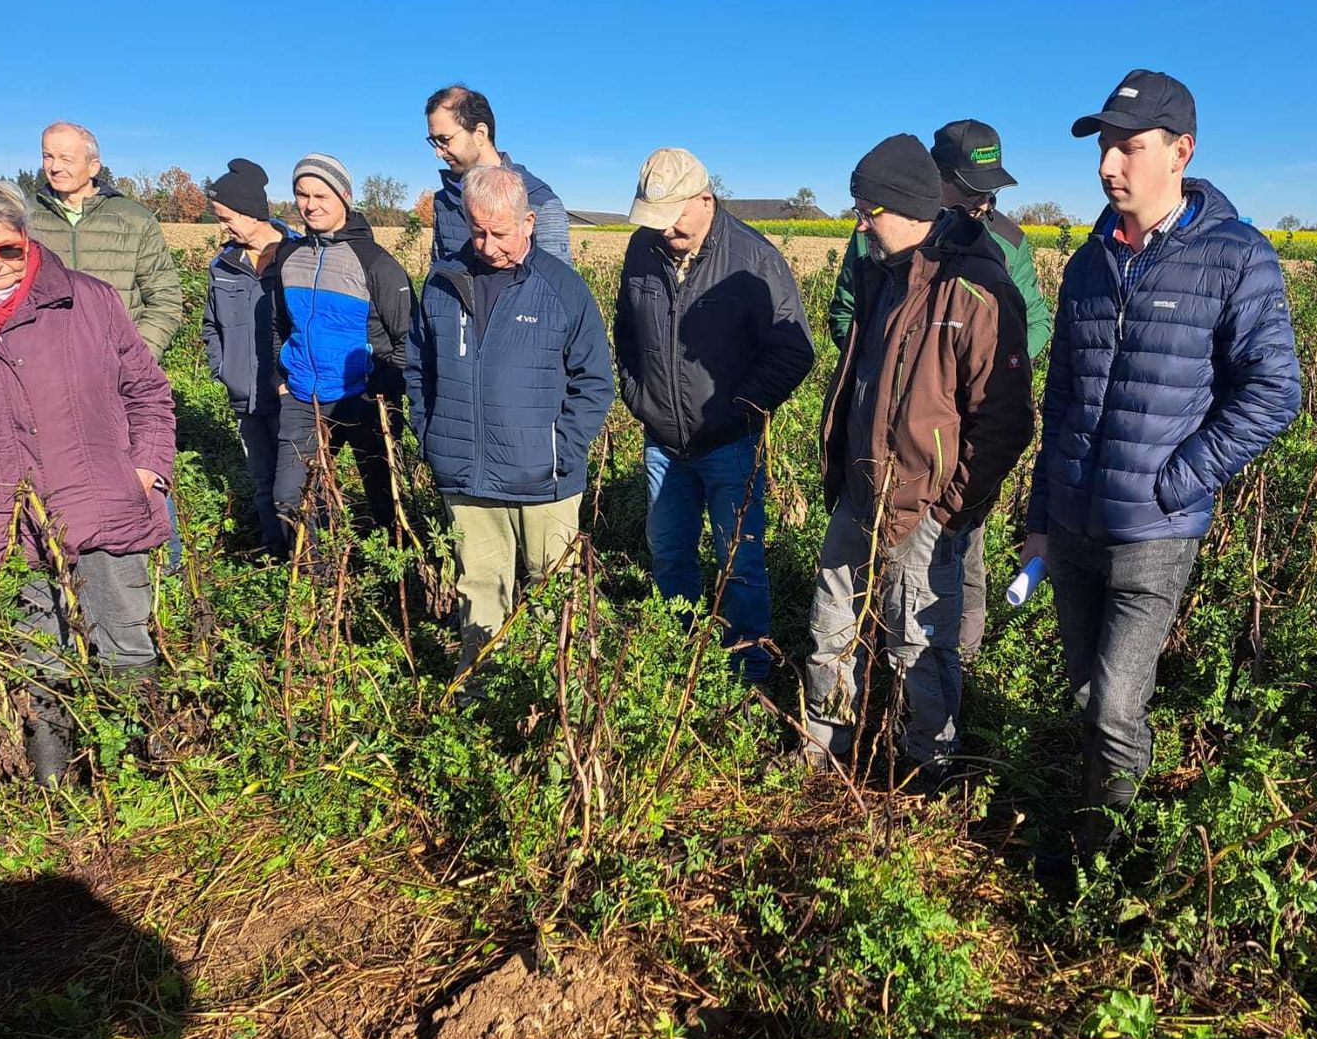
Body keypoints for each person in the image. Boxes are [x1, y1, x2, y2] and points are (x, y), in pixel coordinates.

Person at [1021, 70, 1300, 846]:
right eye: (1103, 148)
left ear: (1182, 151)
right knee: (1088, 697)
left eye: (1129, 147)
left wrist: (1177, 480)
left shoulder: (1236, 258)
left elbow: (1274, 391)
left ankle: (1106, 856)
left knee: (1116, 705)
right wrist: (1041, 516)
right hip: (1072, 525)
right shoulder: (1089, 262)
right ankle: (1096, 827)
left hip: (1153, 533)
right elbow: (1061, 401)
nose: (1108, 165)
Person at [802, 135, 1034, 788]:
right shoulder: (879, 272)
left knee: (920, 646)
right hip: (860, 489)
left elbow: (1006, 421)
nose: (859, 224)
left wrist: (947, 509)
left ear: (906, 209)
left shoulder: (976, 289)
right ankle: (824, 749)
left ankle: (927, 771)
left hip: (923, 507)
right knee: (830, 627)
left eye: (867, 211)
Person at [0, 173, 175, 783]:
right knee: (37, 656)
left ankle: (144, 780)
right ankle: (57, 787)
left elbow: (148, 392)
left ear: (26, 236)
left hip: (104, 502)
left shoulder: (87, 299)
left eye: (7, 248)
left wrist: (145, 470)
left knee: (126, 640)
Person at [830, 120, 1052, 664]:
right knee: (850, 603)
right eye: (970, 187)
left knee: (956, 565)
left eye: (989, 189)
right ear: (933, 182)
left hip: (950, 453)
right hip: (876, 457)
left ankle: (959, 661)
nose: (983, 200)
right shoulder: (872, 240)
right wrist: (889, 364)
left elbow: (1032, 323)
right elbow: (847, 316)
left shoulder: (1006, 243)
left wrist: (982, 368)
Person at [613, 148, 816, 683]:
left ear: (705, 199)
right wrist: (639, 396)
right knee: (668, 551)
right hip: (662, 441)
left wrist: (736, 411)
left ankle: (748, 672)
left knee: (739, 562)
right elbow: (626, 333)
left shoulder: (754, 258)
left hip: (730, 444)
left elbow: (794, 351)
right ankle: (678, 657)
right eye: (653, 218)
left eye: (672, 216)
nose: (664, 230)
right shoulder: (642, 249)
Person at [405, 166, 613, 685]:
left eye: (500, 232)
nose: (488, 245)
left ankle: (559, 694)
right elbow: (418, 370)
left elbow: (594, 382)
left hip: (545, 481)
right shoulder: (442, 284)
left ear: (529, 222)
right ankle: (479, 692)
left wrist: (559, 451)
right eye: (478, 231)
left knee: (555, 590)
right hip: (465, 475)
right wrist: (432, 435)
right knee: (478, 588)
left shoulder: (562, 288)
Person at [269, 153, 411, 544]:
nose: (310, 205)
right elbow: (279, 325)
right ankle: (317, 574)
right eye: (302, 194)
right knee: (292, 501)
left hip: (365, 399)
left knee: (385, 497)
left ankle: (392, 568)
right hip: (303, 398)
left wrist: (381, 388)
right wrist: (281, 380)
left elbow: (408, 339)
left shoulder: (375, 262)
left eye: (321, 195)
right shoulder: (290, 257)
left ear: (345, 197)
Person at [201, 159, 298, 557]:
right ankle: (275, 555)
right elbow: (211, 325)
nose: (224, 227)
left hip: (291, 396)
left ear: (251, 212)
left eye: (227, 218)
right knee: (262, 481)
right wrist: (224, 370)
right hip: (245, 396)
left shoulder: (297, 256)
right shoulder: (223, 265)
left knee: (298, 484)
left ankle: (310, 563)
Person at [27, 121, 183, 363]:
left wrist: (137, 359)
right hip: (43, 364)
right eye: (48, 156)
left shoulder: (134, 220)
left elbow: (165, 299)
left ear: (93, 167)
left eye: (66, 158)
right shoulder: (23, 219)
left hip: (117, 364)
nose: (55, 167)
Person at [426, 84, 570, 268]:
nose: (438, 152)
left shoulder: (540, 202)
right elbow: (438, 274)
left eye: (444, 140)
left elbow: (557, 281)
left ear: (480, 134)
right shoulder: (444, 200)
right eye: (434, 142)